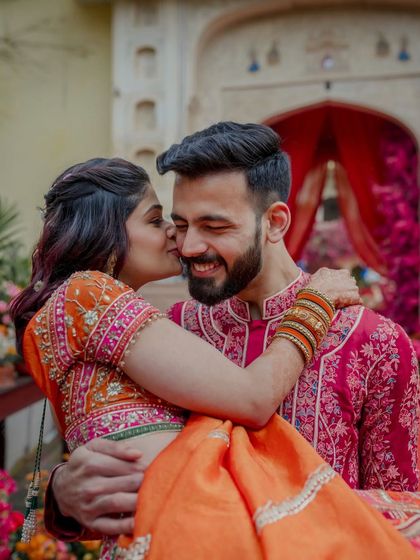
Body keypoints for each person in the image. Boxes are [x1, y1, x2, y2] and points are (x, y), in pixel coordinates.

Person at [10, 157, 417, 558]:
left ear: (274, 222)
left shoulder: (373, 341)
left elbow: (402, 501)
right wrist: (63, 493)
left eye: (214, 226)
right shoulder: (172, 326)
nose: (185, 243)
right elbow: (125, 464)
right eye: (176, 223)